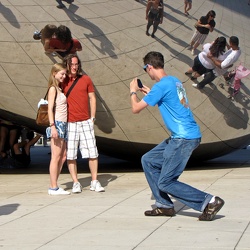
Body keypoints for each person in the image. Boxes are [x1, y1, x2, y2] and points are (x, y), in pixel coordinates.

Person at [129, 51, 224, 221]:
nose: (147, 72)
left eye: (146, 69)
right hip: (184, 136)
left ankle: (209, 201)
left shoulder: (161, 86)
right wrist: (151, 93)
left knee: (166, 181)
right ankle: (164, 205)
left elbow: (135, 109)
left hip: (183, 138)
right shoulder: (174, 81)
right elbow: (172, 102)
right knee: (148, 160)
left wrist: (132, 91)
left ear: (149, 66)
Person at [62, 54, 104, 193]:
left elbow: (92, 98)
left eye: (76, 64)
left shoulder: (86, 79)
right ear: (67, 65)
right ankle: (75, 182)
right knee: (71, 154)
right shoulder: (63, 80)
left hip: (85, 121)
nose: (74, 67)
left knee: (92, 152)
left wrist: (92, 118)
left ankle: (94, 181)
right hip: (70, 123)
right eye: (71, 64)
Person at [46, 63, 69, 195]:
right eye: (62, 73)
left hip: (63, 125)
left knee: (63, 156)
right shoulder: (53, 89)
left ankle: (54, 183)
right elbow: (50, 109)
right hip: (57, 124)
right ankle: (53, 187)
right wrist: (52, 126)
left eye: (65, 74)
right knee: (55, 157)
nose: (64, 76)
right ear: (54, 73)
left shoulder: (59, 88)